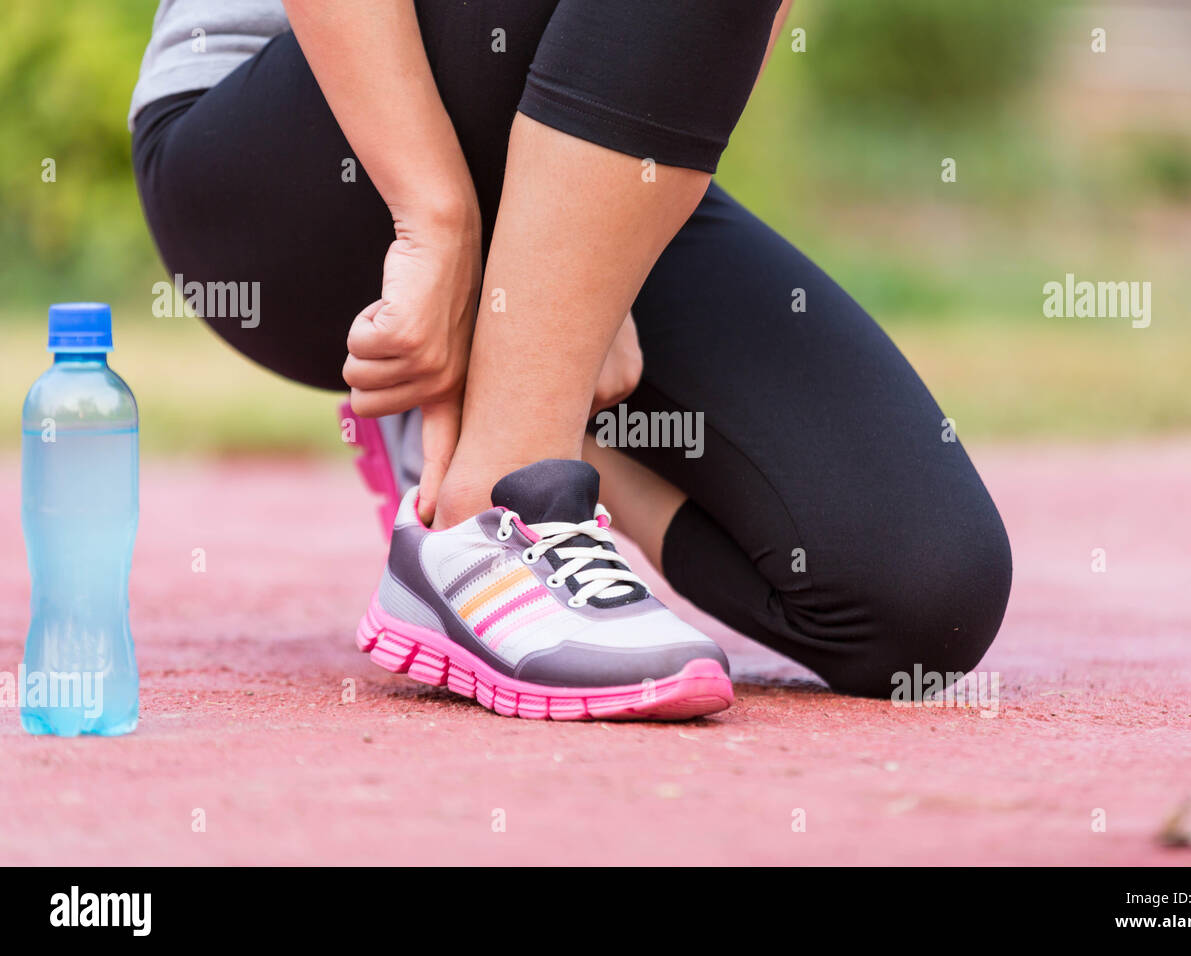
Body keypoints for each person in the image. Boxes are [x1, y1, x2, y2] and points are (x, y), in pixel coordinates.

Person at [130, 0, 1013, 720]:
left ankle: (496, 432)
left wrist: (605, 267)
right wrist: (432, 220)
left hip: (536, 140)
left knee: (925, 594)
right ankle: (489, 513)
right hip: (284, 165)